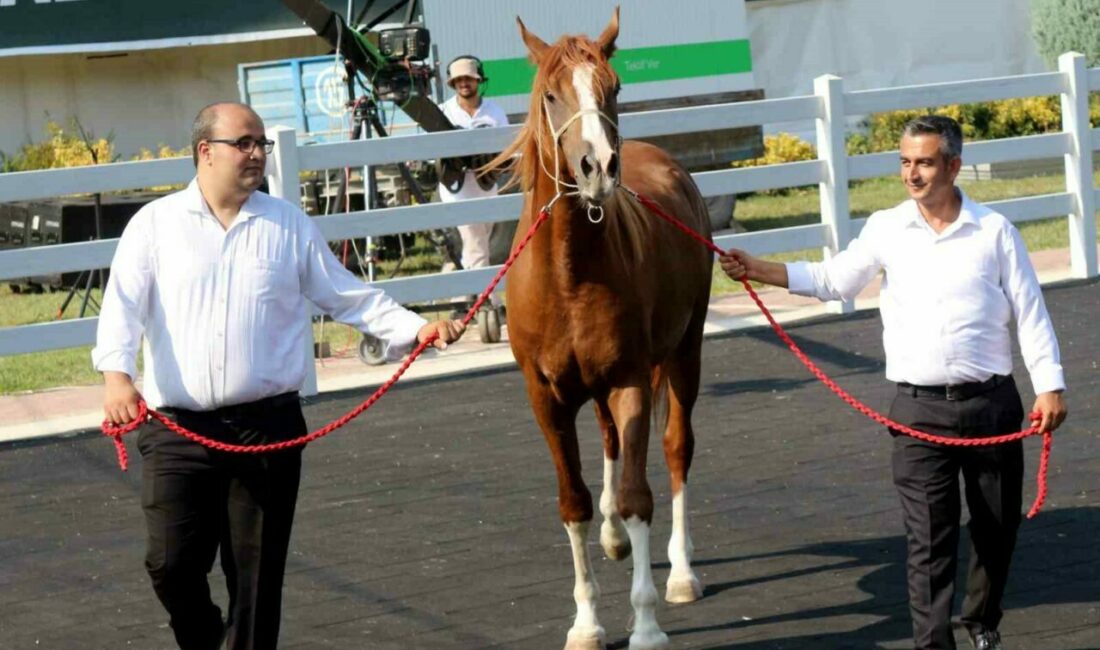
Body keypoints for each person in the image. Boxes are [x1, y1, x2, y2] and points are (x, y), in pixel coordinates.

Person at [92, 102, 465, 650]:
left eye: (260, 143)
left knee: (255, 581)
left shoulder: (287, 224)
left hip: (267, 429)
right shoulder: (154, 225)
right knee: (169, 563)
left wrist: (415, 329)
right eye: (243, 143)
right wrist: (117, 378)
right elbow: (121, 307)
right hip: (177, 430)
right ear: (205, 152)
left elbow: (344, 294)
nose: (256, 153)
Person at [719, 115, 1067, 650]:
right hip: (918, 413)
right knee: (929, 540)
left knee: (996, 533)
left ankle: (979, 622)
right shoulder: (886, 227)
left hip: (992, 406)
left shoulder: (996, 231)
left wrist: (1050, 386)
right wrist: (758, 269)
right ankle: (933, 644)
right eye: (905, 162)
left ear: (953, 165)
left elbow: (1031, 312)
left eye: (924, 162)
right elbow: (834, 280)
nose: (912, 174)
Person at [437, 55, 509, 293]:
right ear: (453, 83)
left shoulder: (494, 112)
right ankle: (488, 301)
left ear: (478, 80)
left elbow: (506, 149)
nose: (464, 83)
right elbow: (431, 154)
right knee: (476, 242)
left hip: (487, 189)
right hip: (457, 192)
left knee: (480, 244)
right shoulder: (443, 112)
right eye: (459, 79)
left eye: (468, 78)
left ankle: (467, 294)